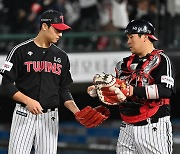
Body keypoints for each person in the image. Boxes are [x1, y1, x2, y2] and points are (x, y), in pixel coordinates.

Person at [0, 10, 109, 154]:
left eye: (62, 30)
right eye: (57, 30)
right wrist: (28, 101)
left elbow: (63, 89)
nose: (60, 34)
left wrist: (77, 111)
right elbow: (6, 84)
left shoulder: (61, 56)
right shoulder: (19, 50)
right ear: (44, 26)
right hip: (24, 114)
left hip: (50, 117)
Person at [87, 19, 176, 154]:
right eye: (128, 37)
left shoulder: (161, 60)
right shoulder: (122, 65)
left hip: (153, 127)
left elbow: (166, 90)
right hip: (127, 127)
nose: (128, 41)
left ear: (145, 37)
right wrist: (99, 90)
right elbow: (119, 92)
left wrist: (131, 90)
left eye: (131, 37)